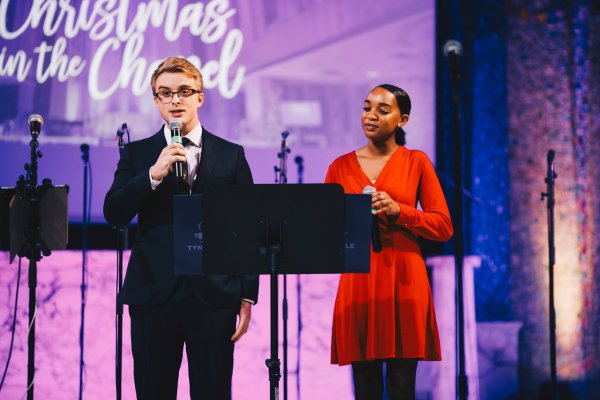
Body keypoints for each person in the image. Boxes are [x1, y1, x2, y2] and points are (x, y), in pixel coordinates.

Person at [103, 57, 258, 400]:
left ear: (199, 97)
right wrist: (152, 176)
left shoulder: (230, 155)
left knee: (213, 392)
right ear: (156, 100)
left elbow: (246, 225)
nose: (176, 100)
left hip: (214, 293)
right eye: (166, 93)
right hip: (153, 292)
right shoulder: (138, 153)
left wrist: (247, 293)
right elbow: (114, 212)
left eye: (184, 91)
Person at [327, 84, 453, 400]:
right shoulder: (340, 166)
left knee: (401, 386)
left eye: (383, 110)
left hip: (405, 279)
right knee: (365, 387)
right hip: (359, 280)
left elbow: (443, 227)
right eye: (367, 107)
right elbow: (325, 230)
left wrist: (401, 212)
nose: (371, 115)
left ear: (403, 120)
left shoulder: (416, 162)